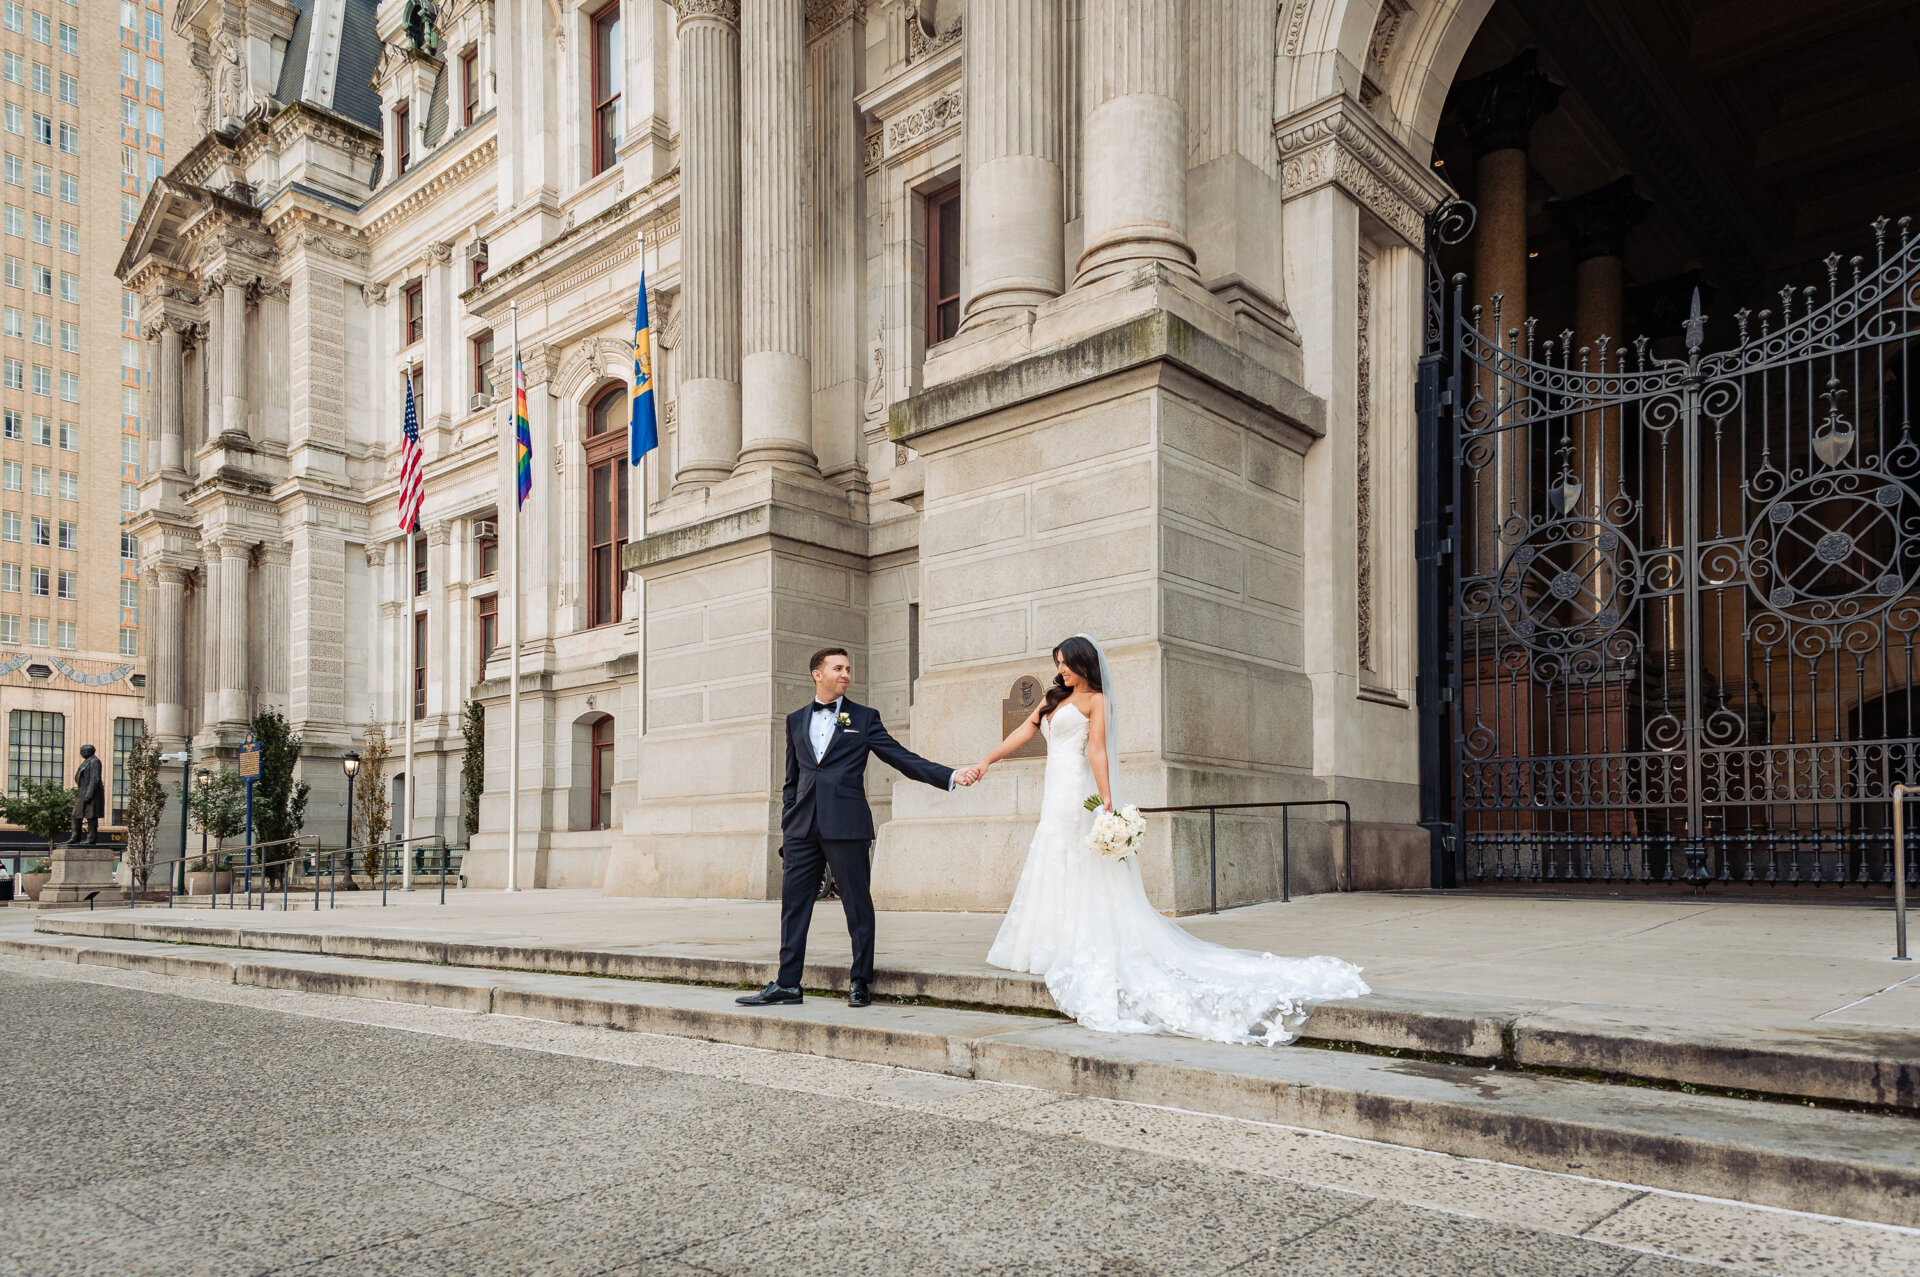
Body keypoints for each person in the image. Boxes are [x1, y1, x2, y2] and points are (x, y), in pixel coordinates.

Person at [972, 636, 1370, 1046]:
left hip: (1076, 791)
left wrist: (1107, 799)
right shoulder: (1053, 699)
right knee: (1052, 857)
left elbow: (1096, 751)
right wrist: (985, 762)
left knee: (1078, 859)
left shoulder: (1097, 701)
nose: (1061, 671)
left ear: (1084, 664)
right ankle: (1045, 943)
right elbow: (1025, 730)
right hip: (1052, 794)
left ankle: (1072, 943)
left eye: (1067, 664)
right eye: (1057, 664)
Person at [737, 647, 978, 1010]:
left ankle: (860, 981)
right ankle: (788, 985)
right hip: (803, 829)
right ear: (817, 674)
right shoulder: (795, 720)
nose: (846, 673)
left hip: (847, 825)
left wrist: (949, 775)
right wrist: (789, 827)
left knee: (857, 906)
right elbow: (792, 781)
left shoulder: (863, 718)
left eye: (848, 668)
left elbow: (900, 757)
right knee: (793, 906)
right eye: (838, 668)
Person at [68, 744, 103, 847]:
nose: (81, 752)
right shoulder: (86, 762)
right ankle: (75, 837)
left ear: (89, 751)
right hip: (82, 792)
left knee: (91, 816)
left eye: (82, 750)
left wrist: (89, 795)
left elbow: (94, 779)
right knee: (75, 815)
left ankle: (91, 838)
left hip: (91, 793)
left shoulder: (94, 761)